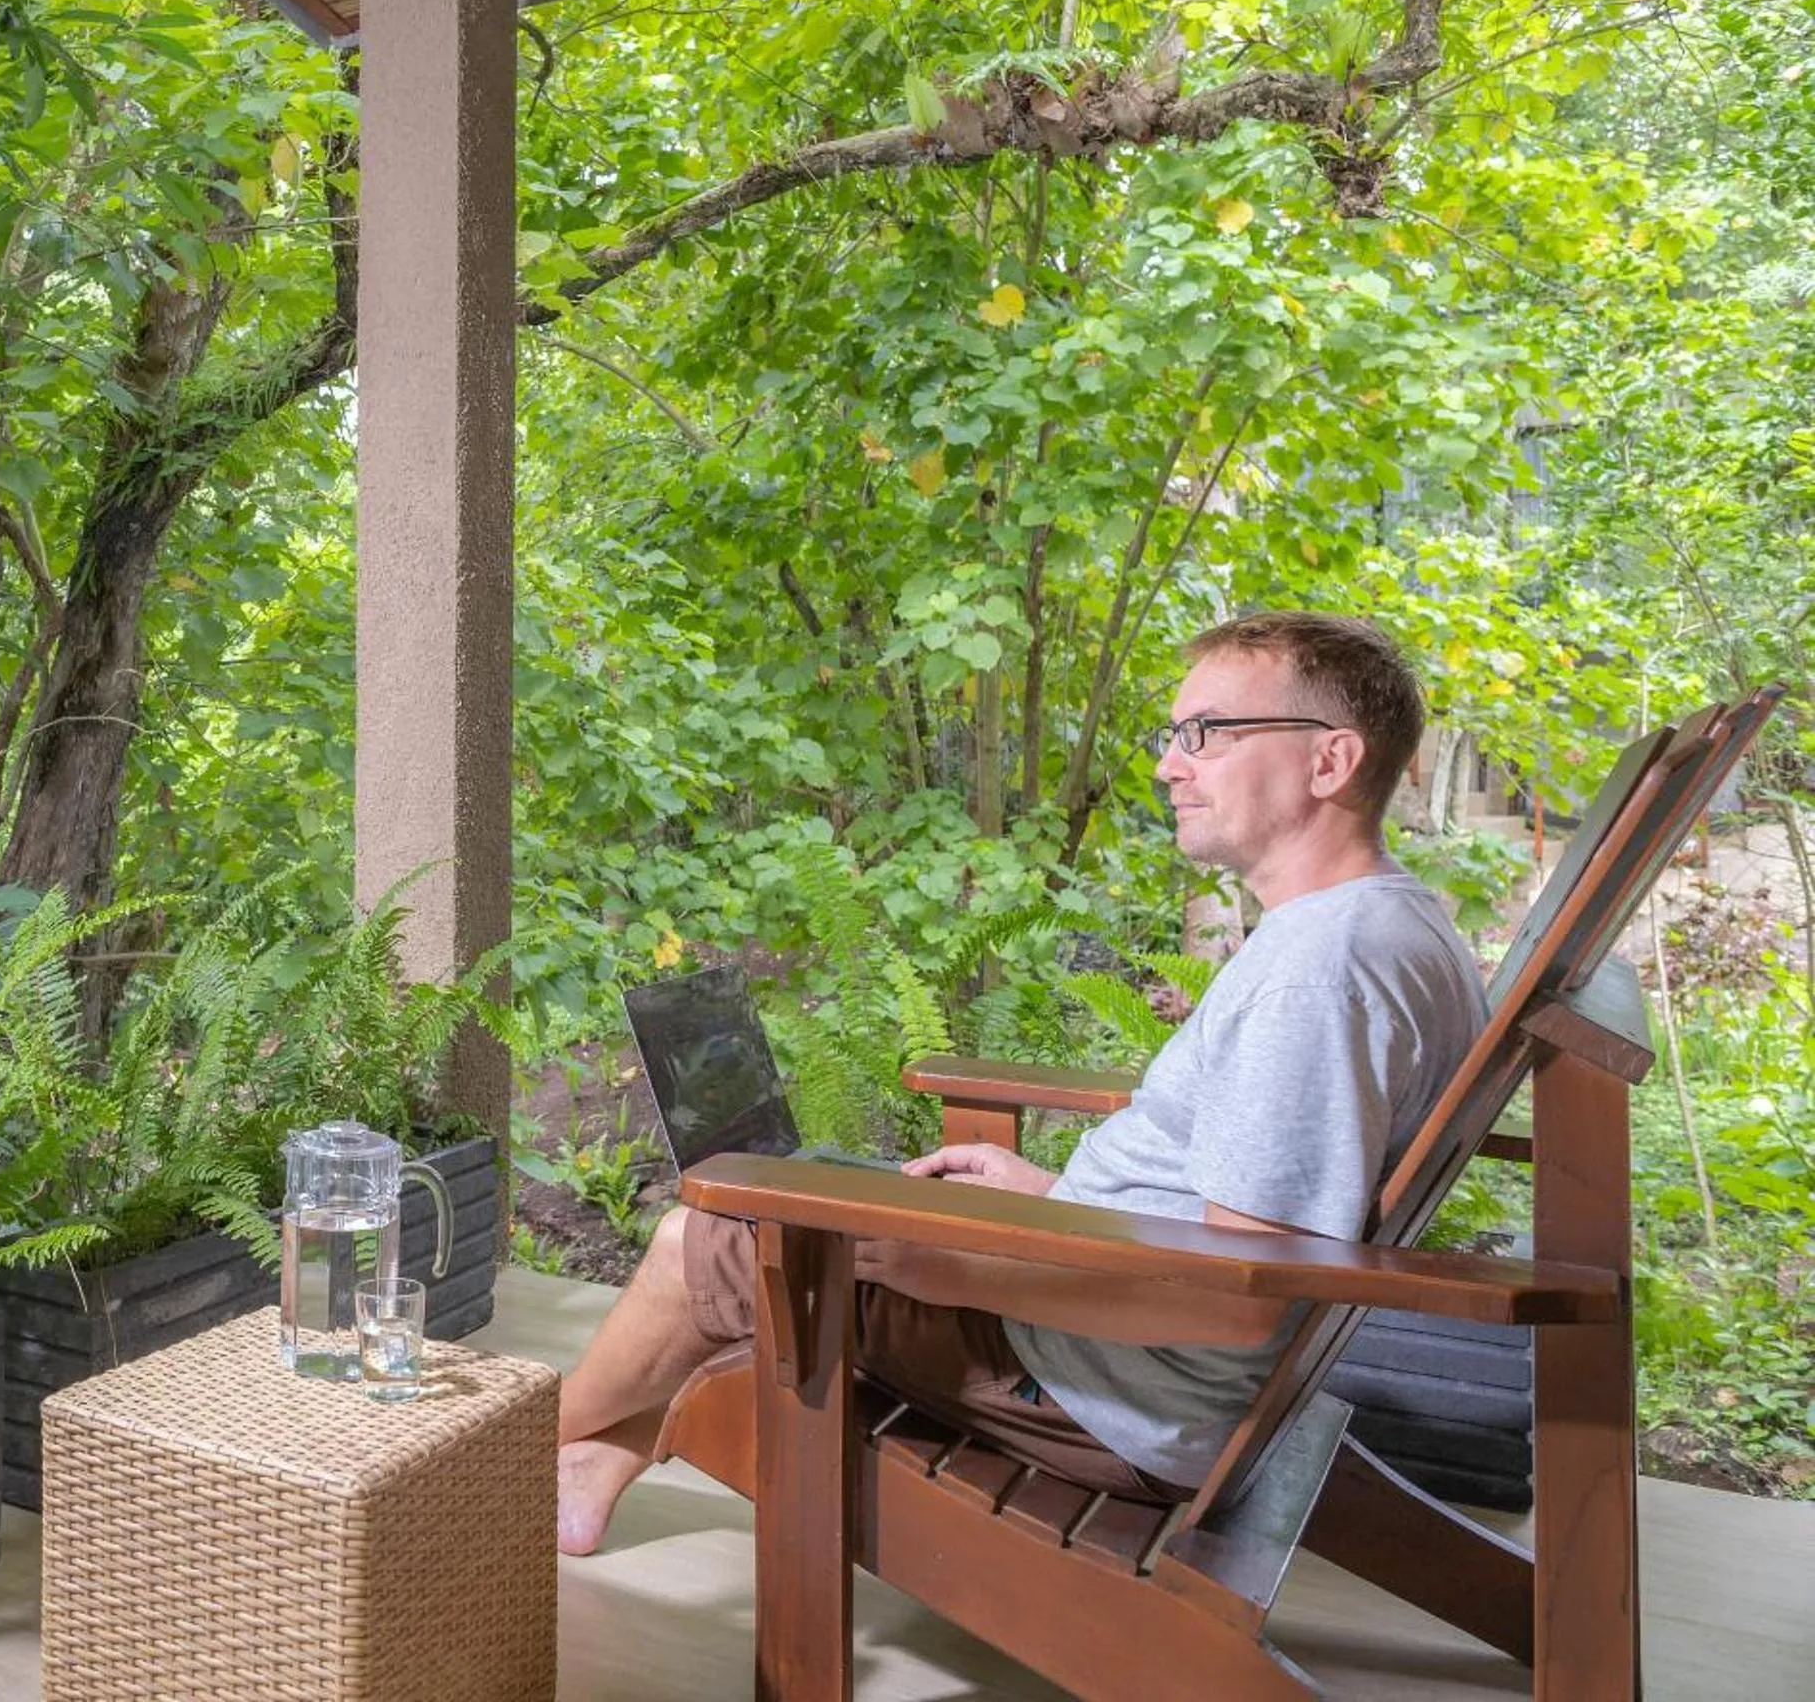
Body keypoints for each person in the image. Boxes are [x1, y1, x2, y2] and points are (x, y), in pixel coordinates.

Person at [555, 612, 1489, 1555]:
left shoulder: (1317, 972)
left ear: (1329, 762)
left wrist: (957, 1263)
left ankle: (494, 1452)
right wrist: (1054, 1203)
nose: (1171, 765)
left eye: (1206, 734)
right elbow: (1240, 1228)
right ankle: (594, 1459)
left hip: (1108, 1388)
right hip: (1116, 1332)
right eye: (1172, 737)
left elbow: (1235, 1299)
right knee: (810, 1200)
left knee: (709, 1239)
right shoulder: (1387, 926)